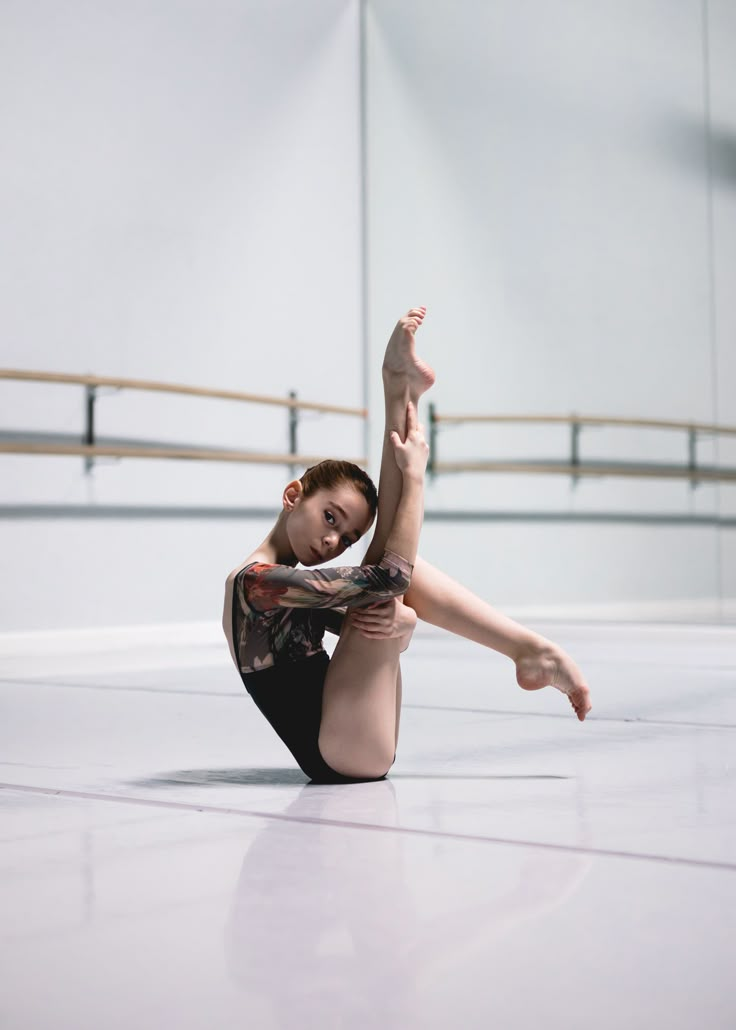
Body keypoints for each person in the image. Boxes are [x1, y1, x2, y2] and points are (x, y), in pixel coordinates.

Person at [222, 308, 591, 784]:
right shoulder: (257, 585)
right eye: (330, 517)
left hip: (356, 732)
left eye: (346, 536)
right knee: (387, 574)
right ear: (294, 496)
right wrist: (414, 479)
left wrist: (404, 623)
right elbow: (390, 580)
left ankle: (398, 385)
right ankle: (396, 385)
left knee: (389, 576)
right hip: (338, 751)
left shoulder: (293, 590)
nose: (334, 541)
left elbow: (386, 609)